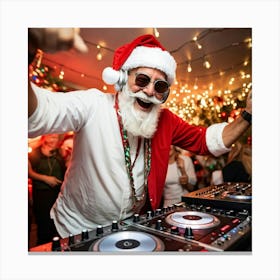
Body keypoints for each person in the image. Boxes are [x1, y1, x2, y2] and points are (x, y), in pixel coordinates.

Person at [28, 28, 252, 239]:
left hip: (127, 232)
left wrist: (248, 115)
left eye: (160, 86)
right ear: (123, 79)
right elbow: (39, 112)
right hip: (73, 229)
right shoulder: (92, 104)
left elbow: (206, 141)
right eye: (142, 80)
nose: (149, 91)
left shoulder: (165, 120)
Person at [28, 133, 66, 245]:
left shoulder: (60, 151)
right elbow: (28, 172)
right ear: (44, 138)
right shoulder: (35, 153)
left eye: (55, 137)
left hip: (58, 193)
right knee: (44, 222)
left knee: (57, 222)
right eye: (51, 137)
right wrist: (46, 179)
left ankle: (56, 247)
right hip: (42, 193)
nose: (54, 140)